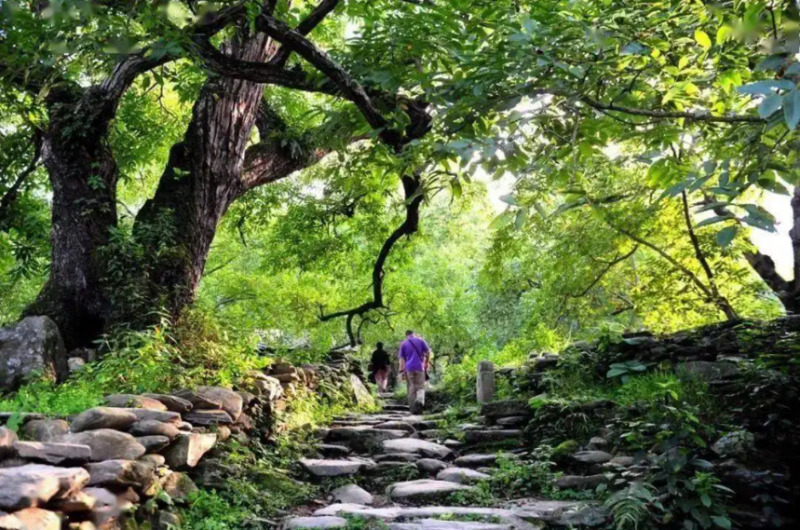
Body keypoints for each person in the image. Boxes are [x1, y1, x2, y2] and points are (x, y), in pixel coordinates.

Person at [398, 330, 431, 413]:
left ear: (406, 335)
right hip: (420, 367)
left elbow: (402, 358)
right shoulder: (421, 340)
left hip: (409, 368)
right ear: (414, 334)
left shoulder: (404, 343)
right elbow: (428, 352)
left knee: (411, 387)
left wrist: (402, 370)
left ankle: (413, 409)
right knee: (420, 386)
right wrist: (426, 363)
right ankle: (419, 404)